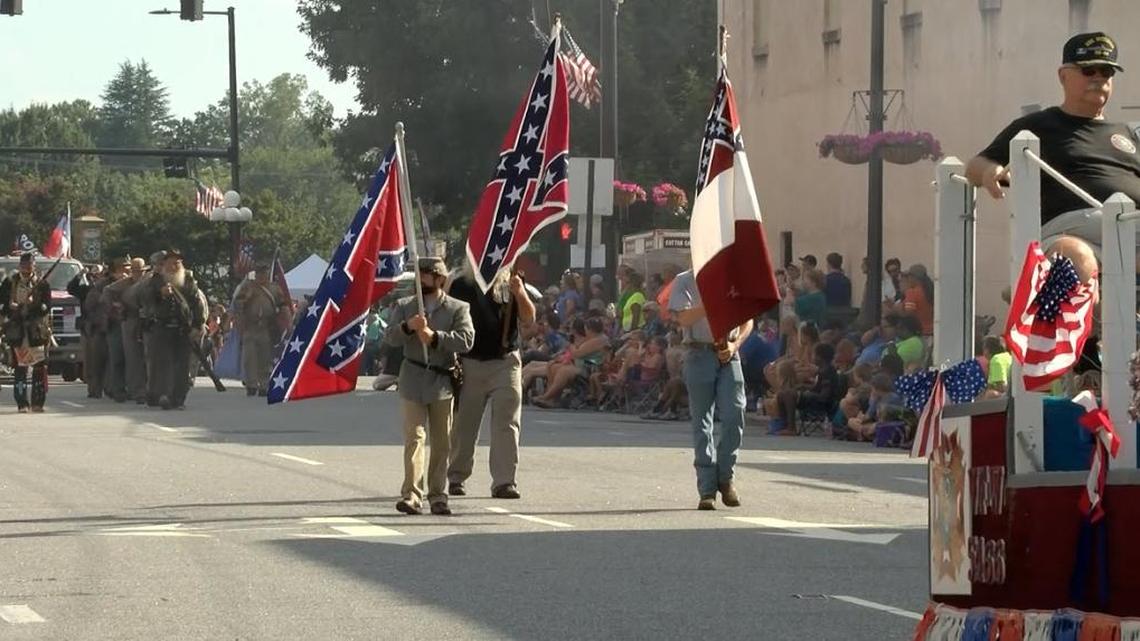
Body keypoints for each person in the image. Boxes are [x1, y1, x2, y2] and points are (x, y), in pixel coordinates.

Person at [966, 32, 1140, 230]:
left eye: (1107, 71)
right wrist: (991, 171)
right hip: (1072, 233)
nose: (1099, 78)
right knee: (1079, 256)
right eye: (1089, 70)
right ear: (1063, 76)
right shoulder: (1038, 126)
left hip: (1132, 229)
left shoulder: (1128, 134)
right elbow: (974, 167)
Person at [383, 257, 474, 516]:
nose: (420, 280)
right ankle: (412, 494)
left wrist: (436, 338)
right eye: (418, 275)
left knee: (442, 442)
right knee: (415, 438)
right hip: (412, 377)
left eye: (426, 275)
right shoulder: (405, 306)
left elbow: (467, 340)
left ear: (440, 280)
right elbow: (390, 337)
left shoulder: (458, 308)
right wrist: (407, 327)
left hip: (441, 380)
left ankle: (438, 494)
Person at [446, 264, 536, 500]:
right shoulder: (461, 284)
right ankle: (456, 476)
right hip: (470, 361)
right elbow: (449, 320)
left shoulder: (513, 279)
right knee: (465, 422)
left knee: (507, 423)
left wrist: (520, 292)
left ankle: (504, 481)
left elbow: (529, 318)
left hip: (505, 360)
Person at [669, 268, 753, 511]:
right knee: (702, 421)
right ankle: (707, 488)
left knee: (734, 414)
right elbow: (683, 318)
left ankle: (726, 477)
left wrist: (736, 344)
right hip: (698, 352)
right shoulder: (685, 280)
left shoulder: (734, 277)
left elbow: (748, 319)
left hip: (729, 354)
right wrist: (712, 302)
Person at [140, 249, 205, 410]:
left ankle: (178, 398)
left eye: (177, 262)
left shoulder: (187, 280)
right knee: (163, 365)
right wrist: (160, 294)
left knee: (182, 366)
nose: (174, 266)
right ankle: (163, 395)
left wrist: (198, 325)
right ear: (164, 264)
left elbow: (197, 304)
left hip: (182, 329)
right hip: (162, 328)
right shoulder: (156, 280)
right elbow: (146, 299)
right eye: (170, 262)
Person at [0, 252, 52, 412]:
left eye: (29, 265)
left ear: (34, 266)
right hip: (18, 331)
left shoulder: (42, 284)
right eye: (24, 265)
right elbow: (3, 304)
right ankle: (22, 402)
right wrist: (12, 307)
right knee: (20, 368)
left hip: (36, 331)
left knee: (38, 367)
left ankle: (38, 402)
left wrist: (33, 304)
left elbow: (46, 307)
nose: (27, 268)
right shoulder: (10, 283)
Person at [233, 261, 287, 396]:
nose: (262, 276)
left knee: (265, 357)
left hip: (267, 326)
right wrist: (247, 298)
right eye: (260, 273)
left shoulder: (274, 288)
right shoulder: (247, 286)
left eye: (264, 273)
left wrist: (286, 322)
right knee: (249, 358)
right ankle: (251, 384)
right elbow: (237, 304)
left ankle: (264, 385)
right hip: (250, 326)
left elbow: (283, 305)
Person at [114, 257, 149, 404]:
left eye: (140, 271)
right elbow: (106, 292)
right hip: (130, 321)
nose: (138, 274)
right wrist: (117, 306)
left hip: (147, 321)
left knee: (148, 358)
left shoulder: (148, 283)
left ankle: (148, 389)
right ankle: (136, 391)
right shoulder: (123, 284)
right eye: (135, 271)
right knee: (133, 358)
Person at [99, 257, 133, 402]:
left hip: (130, 324)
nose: (126, 272)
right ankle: (116, 389)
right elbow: (101, 302)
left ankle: (129, 388)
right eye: (123, 269)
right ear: (115, 271)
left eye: (128, 268)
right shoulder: (106, 285)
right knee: (117, 358)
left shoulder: (133, 283)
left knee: (130, 359)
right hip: (114, 325)